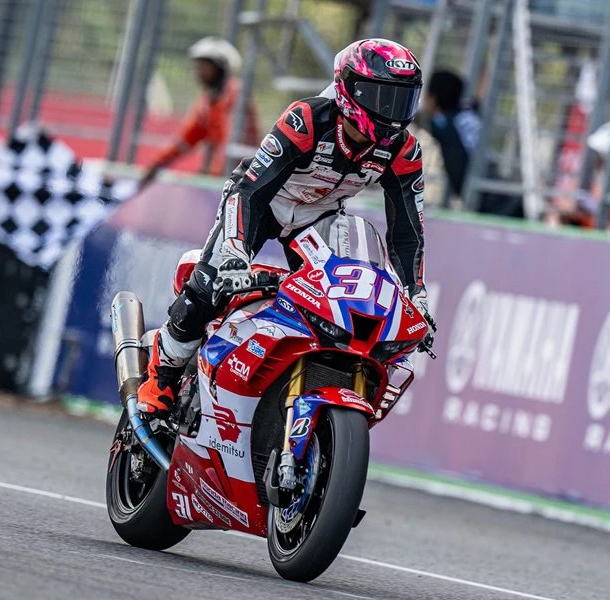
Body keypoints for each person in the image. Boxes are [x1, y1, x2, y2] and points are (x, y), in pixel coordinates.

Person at [137, 38, 433, 416]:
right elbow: (251, 191)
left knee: (338, 308)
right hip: (264, 203)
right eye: (383, 97)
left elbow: (408, 230)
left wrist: (416, 293)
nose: (392, 113)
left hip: (320, 217)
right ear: (349, 89)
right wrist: (234, 252)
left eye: (403, 100)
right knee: (210, 284)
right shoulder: (306, 118)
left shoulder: (404, 150)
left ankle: (294, 386)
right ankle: (162, 374)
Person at [139, 37, 260, 186]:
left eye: (205, 66)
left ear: (220, 69)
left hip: (241, 179)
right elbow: (185, 141)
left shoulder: (236, 96)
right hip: (221, 177)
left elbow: (233, 145)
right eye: (198, 66)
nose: (199, 72)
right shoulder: (207, 103)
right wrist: (155, 165)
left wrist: (212, 178)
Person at [422, 69, 481, 205]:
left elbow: (423, 119)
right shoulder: (468, 112)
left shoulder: (442, 123)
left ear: (432, 99)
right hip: (486, 181)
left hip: (480, 196)